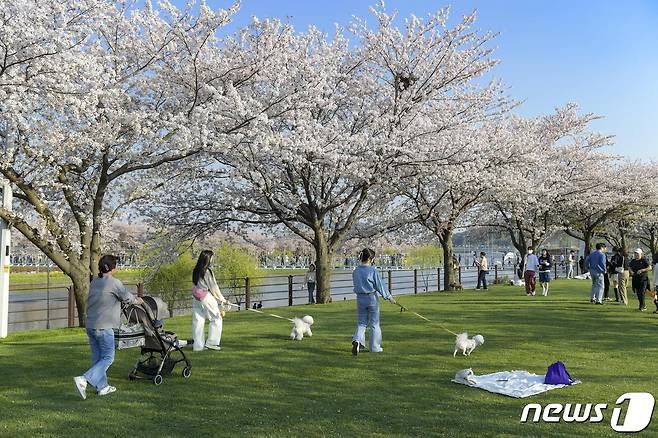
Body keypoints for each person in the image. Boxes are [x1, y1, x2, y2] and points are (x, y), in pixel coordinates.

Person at [74, 254, 143, 400]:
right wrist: (139, 301)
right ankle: (84, 379)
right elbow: (127, 298)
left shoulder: (94, 282)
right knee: (108, 358)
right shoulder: (114, 282)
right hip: (104, 327)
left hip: (91, 325)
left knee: (97, 358)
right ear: (113, 268)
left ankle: (102, 387)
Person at [351, 248, 396, 356]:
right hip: (371, 298)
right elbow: (379, 285)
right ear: (370, 258)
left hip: (360, 298)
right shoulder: (372, 270)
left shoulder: (356, 271)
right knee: (374, 323)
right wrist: (389, 297)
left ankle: (357, 340)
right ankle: (374, 347)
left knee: (362, 322)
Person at [192, 250, 227, 351]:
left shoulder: (195, 270)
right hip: (206, 297)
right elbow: (213, 287)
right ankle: (212, 342)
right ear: (208, 258)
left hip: (196, 297)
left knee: (198, 321)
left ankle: (198, 346)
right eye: (211, 257)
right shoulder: (207, 271)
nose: (213, 259)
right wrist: (222, 298)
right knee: (216, 318)